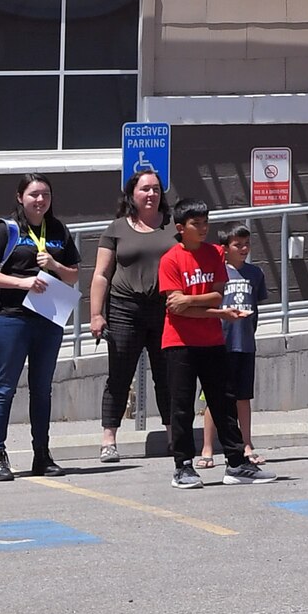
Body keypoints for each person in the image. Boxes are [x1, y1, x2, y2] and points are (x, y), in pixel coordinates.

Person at [158, 200, 270, 487]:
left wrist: (191, 299)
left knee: (224, 401)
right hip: (179, 342)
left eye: (206, 222)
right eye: (197, 224)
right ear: (181, 228)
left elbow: (217, 295)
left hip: (212, 341)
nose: (204, 228)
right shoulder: (170, 259)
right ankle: (183, 466)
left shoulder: (213, 255)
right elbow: (175, 309)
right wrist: (208, 308)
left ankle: (236, 463)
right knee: (181, 405)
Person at [90, 168, 175, 463]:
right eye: (144, 189)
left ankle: (173, 437)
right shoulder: (116, 229)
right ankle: (109, 440)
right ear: (132, 194)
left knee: (168, 376)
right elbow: (101, 274)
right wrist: (96, 314)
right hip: (125, 308)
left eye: (155, 189)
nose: (151, 194)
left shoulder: (173, 226)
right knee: (119, 375)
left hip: (165, 309)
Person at [0, 174, 79, 479]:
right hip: (12, 317)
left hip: (48, 318)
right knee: (4, 389)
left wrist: (55, 266)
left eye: (45, 194)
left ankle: (42, 455)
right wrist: (22, 282)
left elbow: (72, 275)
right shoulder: (8, 229)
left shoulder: (57, 229)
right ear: (20, 197)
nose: (40, 200)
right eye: (33, 195)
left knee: (42, 389)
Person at [199, 224, 268, 466]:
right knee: (213, 397)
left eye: (247, 243)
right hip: (219, 344)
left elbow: (257, 307)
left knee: (243, 397)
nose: (244, 249)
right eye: (237, 244)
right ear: (225, 248)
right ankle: (207, 448)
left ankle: (247, 445)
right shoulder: (216, 273)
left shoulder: (255, 273)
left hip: (245, 344)